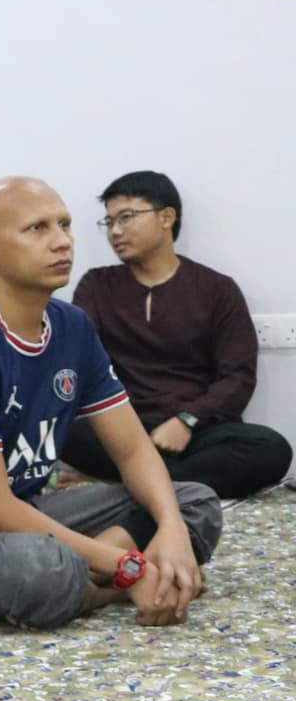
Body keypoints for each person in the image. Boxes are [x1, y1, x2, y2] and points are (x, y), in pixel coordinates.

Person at [0, 176, 223, 630]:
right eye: (37, 228)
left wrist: (171, 529)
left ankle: (96, 575)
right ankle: (115, 578)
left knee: (192, 502)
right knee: (44, 568)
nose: (62, 241)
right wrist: (128, 568)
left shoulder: (72, 326)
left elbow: (134, 450)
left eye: (65, 224)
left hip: (26, 513)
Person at [63, 170, 291, 500]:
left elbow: (237, 377)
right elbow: (77, 359)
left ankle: (134, 485)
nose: (115, 231)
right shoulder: (96, 285)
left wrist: (187, 421)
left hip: (199, 431)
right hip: (124, 427)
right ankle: (167, 484)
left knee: (271, 448)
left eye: (126, 217)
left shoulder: (217, 289)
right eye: (109, 222)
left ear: (166, 217)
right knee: (63, 429)